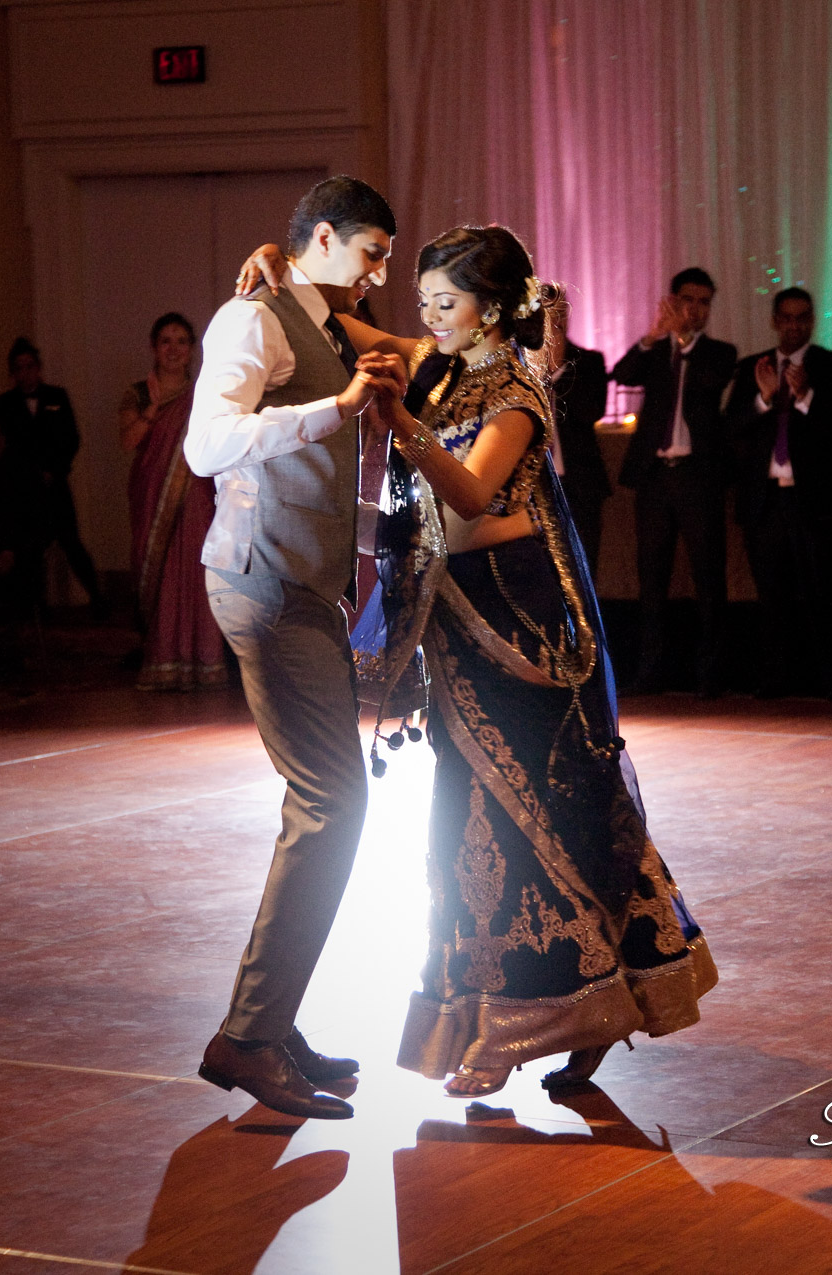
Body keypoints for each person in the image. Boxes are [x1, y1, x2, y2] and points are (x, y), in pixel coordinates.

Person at [243, 224, 714, 1098]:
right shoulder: (441, 362)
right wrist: (285, 275)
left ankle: (546, 1017)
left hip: (523, 632)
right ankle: (530, 1012)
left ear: (491, 309)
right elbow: (341, 327)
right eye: (423, 302)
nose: (429, 318)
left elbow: (469, 494)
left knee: (549, 815)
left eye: (446, 303)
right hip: (459, 630)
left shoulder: (518, 393)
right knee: (462, 826)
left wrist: (398, 422)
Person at [185, 175, 403, 1120]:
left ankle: (268, 1021)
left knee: (327, 805)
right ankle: (248, 1036)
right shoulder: (253, 317)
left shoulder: (321, 318)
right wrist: (339, 407)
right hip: (263, 583)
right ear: (323, 237)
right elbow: (207, 445)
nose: (379, 273)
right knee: (332, 804)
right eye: (371, 253)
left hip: (302, 586)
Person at [725, 286, 832, 698]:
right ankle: (775, 680)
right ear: (774, 321)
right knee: (771, 595)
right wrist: (765, 398)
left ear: (812, 321)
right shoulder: (754, 366)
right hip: (765, 499)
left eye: (802, 318)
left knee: (823, 592)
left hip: (813, 499)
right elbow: (731, 426)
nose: (794, 325)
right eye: (786, 317)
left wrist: (805, 398)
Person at [612, 269, 737, 695]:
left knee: (708, 577)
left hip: (698, 477)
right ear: (672, 301)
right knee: (651, 579)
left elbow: (709, 384)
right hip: (654, 478)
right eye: (688, 300)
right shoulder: (655, 351)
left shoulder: (720, 353)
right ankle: (650, 673)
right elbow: (622, 374)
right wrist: (653, 336)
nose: (694, 309)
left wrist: (683, 344)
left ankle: (712, 675)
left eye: (704, 302)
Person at [118, 313, 227, 691]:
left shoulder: (204, 394)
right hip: (152, 498)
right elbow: (128, 441)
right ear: (154, 347)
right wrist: (152, 410)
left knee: (197, 574)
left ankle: (204, 663)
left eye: (182, 341)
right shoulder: (138, 393)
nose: (174, 349)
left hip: (198, 498)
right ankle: (163, 661)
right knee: (161, 575)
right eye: (166, 341)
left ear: (193, 348)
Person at [0, 339, 105, 620]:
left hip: (55, 485)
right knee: (31, 547)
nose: (25, 373)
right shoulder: (5, 404)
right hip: (23, 488)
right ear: (13, 373)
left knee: (71, 542)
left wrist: (55, 470)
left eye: (30, 366)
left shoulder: (57, 396)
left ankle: (97, 598)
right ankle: (38, 607)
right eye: (19, 368)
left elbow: (71, 438)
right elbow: (9, 449)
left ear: (39, 368)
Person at [543, 287, 611, 574]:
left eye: (561, 313)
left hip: (579, 482)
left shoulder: (589, 362)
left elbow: (591, 411)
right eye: (548, 313)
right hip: (535, 483)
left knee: (583, 566)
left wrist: (557, 371)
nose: (556, 320)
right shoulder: (519, 365)